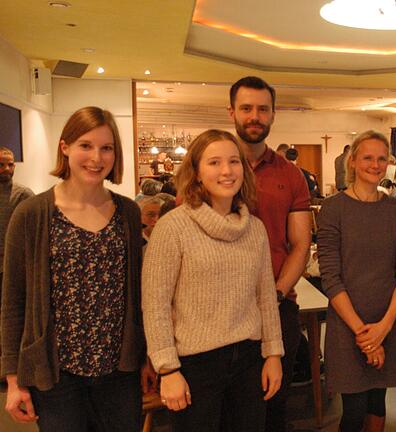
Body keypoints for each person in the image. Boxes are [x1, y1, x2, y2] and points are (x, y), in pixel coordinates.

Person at [1, 106, 151, 431]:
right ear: (65, 147)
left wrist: (147, 357)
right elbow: (14, 302)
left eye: (106, 148)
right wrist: (13, 379)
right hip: (56, 377)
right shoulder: (31, 214)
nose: (96, 157)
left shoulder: (127, 213)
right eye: (86, 145)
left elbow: (139, 295)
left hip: (118, 373)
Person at [142, 129, 284, 432]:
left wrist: (273, 353)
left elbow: (266, 297)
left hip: (248, 360)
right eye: (214, 162)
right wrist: (167, 370)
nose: (226, 171)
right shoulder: (172, 227)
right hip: (195, 365)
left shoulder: (254, 228)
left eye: (234, 162)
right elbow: (155, 305)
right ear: (195, 172)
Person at [228, 76, 312, 432]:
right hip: (222, 313)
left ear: (273, 114)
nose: (254, 116)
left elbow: (301, 245)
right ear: (231, 111)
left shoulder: (290, 175)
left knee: (274, 410)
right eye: (246, 108)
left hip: (278, 308)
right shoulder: (209, 167)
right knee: (229, 414)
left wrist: (274, 295)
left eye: (263, 109)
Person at [317, 130, 396, 432]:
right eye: (367, 157)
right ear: (353, 161)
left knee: (377, 403)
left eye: (381, 158)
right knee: (354, 409)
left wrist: (383, 328)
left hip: (386, 319)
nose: (375, 164)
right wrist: (365, 336)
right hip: (349, 324)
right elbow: (330, 278)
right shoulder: (333, 208)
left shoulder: (395, 208)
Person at [0, 146, 33, 290]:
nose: (6, 169)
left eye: (10, 164)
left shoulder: (24, 195)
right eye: (1, 165)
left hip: (13, 266)